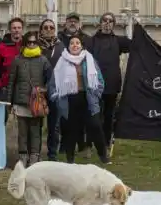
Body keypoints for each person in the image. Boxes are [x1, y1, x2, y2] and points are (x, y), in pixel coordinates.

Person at [50, 35, 109, 164]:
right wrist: (56, 98)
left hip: (88, 99)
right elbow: (54, 83)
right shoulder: (62, 61)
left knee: (95, 126)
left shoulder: (89, 59)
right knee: (71, 130)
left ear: (82, 46)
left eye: (77, 43)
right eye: (72, 43)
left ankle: (103, 155)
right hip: (69, 100)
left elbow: (99, 80)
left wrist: (96, 94)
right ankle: (70, 159)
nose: (75, 45)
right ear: (68, 46)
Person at [87, 12, 131, 157]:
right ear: (100, 23)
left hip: (112, 84)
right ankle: (90, 144)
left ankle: (105, 144)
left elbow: (137, 45)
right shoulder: (91, 41)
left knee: (108, 116)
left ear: (113, 24)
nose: (107, 23)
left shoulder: (119, 41)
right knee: (95, 116)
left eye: (110, 21)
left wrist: (139, 29)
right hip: (95, 85)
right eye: (104, 20)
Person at [10, 31, 53, 166]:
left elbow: (50, 80)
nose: (32, 44)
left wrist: (43, 90)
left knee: (35, 132)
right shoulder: (17, 59)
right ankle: (23, 156)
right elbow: (12, 82)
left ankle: (35, 157)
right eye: (29, 42)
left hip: (37, 103)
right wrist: (10, 102)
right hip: (21, 101)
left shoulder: (43, 60)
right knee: (22, 132)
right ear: (25, 43)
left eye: (34, 42)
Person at [39, 19, 65, 160]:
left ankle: (52, 155)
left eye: (51, 27)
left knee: (54, 125)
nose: (49, 29)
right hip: (39, 90)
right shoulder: (35, 45)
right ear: (41, 29)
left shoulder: (61, 46)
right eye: (46, 27)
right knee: (36, 124)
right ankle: (34, 154)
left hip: (56, 91)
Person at [0, 17, 24, 102]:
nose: (16, 30)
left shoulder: (28, 45)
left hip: (24, 89)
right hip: (5, 88)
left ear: (22, 29)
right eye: (14, 28)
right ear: (10, 30)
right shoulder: (1, 47)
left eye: (19, 28)